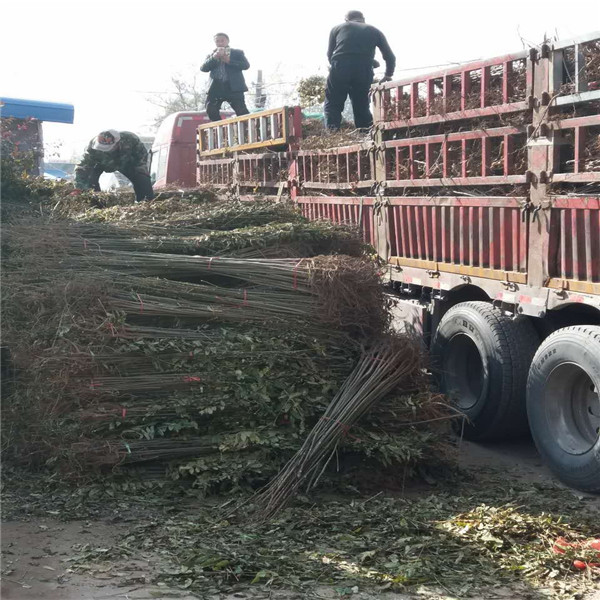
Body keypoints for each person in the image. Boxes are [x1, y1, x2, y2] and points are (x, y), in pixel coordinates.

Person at [324, 10, 396, 131]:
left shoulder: (337, 28)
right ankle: (365, 133)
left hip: (340, 66)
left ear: (346, 20)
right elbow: (390, 56)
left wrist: (339, 68)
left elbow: (330, 55)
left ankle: (332, 133)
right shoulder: (374, 30)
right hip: (364, 70)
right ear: (363, 19)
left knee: (333, 103)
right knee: (361, 104)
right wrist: (388, 74)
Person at [73, 130, 154, 201]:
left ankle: (145, 202)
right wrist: (79, 187)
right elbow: (82, 168)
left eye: (106, 148)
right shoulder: (92, 147)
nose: (103, 151)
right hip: (100, 163)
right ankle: (95, 204)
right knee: (90, 181)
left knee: (142, 179)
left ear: (117, 144)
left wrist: (140, 170)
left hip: (126, 163)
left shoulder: (131, 139)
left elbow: (141, 156)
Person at [201, 33, 250, 121]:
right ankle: (220, 128)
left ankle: (248, 129)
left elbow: (246, 65)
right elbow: (203, 68)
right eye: (217, 41)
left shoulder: (237, 53)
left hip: (233, 87)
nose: (220, 43)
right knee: (211, 109)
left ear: (227, 41)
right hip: (216, 87)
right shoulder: (211, 55)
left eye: (222, 40)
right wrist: (214, 58)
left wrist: (229, 61)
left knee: (241, 110)